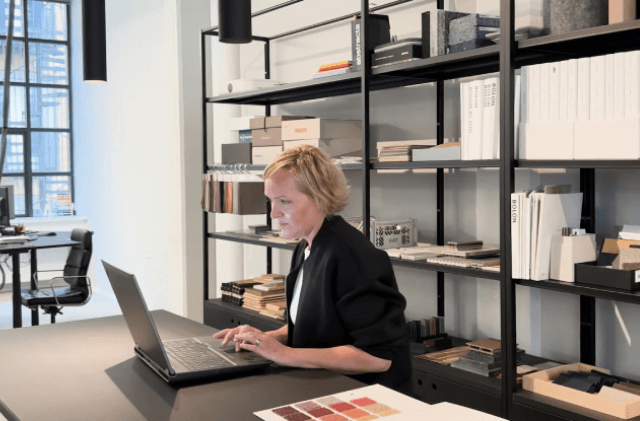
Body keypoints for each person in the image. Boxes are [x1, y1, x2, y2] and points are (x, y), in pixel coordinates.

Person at [213, 144, 412, 395]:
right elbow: (314, 327)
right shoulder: (307, 245)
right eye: (271, 201)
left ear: (320, 197)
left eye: (284, 202)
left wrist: (285, 354)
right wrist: (266, 339)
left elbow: (378, 357)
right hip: (324, 386)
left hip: (365, 397)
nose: (273, 214)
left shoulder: (352, 256)